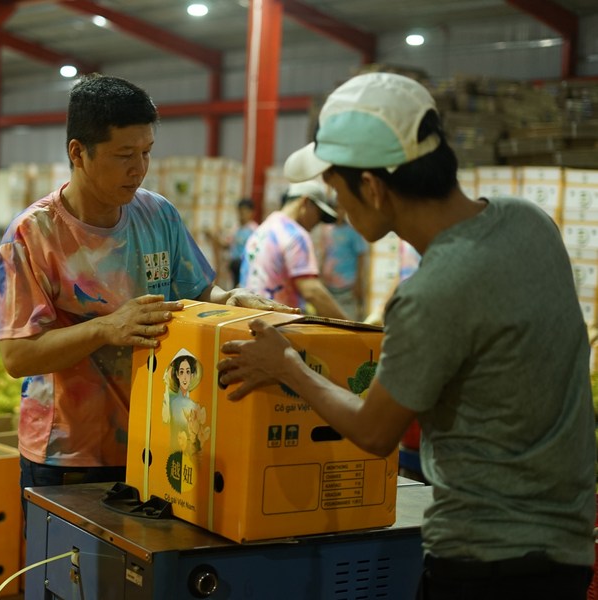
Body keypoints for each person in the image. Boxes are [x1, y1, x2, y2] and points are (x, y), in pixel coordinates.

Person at [217, 72, 595, 599]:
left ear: (372, 188)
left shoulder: (433, 291)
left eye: (336, 189)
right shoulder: (528, 221)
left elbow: (375, 432)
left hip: (484, 559)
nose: (338, 210)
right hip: (568, 549)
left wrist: (286, 366)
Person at [0, 73, 297, 517]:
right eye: (123, 156)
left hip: (157, 443)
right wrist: (106, 328)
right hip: (68, 456)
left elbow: (197, 290)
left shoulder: (158, 214)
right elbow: (18, 356)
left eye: (146, 153)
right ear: (78, 153)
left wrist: (231, 299)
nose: (138, 168)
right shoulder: (32, 235)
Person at [241, 180, 349, 318]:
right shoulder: (295, 235)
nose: (317, 222)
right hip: (279, 326)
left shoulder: (261, 230)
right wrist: (353, 330)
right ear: (306, 202)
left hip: (249, 320)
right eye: (319, 214)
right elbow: (312, 291)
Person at [316, 203, 369, 320]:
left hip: (347, 287)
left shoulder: (353, 232)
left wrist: (359, 282)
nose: (337, 212)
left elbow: (361, 256)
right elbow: (323, 253)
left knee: (347, 320)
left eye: (340, 208)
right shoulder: (326, 229)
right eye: (335, 209)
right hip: (328, 286)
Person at [204, 197, 258, 288]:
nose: (242, 214)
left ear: (252, 212)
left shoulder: (254, 230)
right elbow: (226, 245)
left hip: (246, 269)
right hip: (233, 267)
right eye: (240, 211)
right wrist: (213, 237)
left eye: (245, 211)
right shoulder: (236, 228)